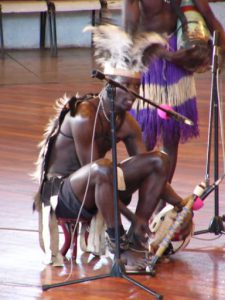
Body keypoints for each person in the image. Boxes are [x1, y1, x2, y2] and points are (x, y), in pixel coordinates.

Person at [33, 24, 197, 270]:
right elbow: (96, 174)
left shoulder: (126, 122)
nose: (132, 94)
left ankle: (136, 237)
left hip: (99, 181)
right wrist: (130, 215)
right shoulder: (84, 115)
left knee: (158, 160)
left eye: (136, 87)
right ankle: (118, 246)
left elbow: (149, 172)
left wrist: (180, 204)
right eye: (124, 86)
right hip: (63, 192)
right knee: (102, 169)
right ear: (109, 84)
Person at [123, 0, 225, 186]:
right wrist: (166, 55)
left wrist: (218, 51)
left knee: (171, 135)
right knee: (145, 135)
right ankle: (143, 191)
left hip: (180, 56)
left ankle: (161, 200)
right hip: (150, 57)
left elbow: (211, 19)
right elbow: (130, 34)